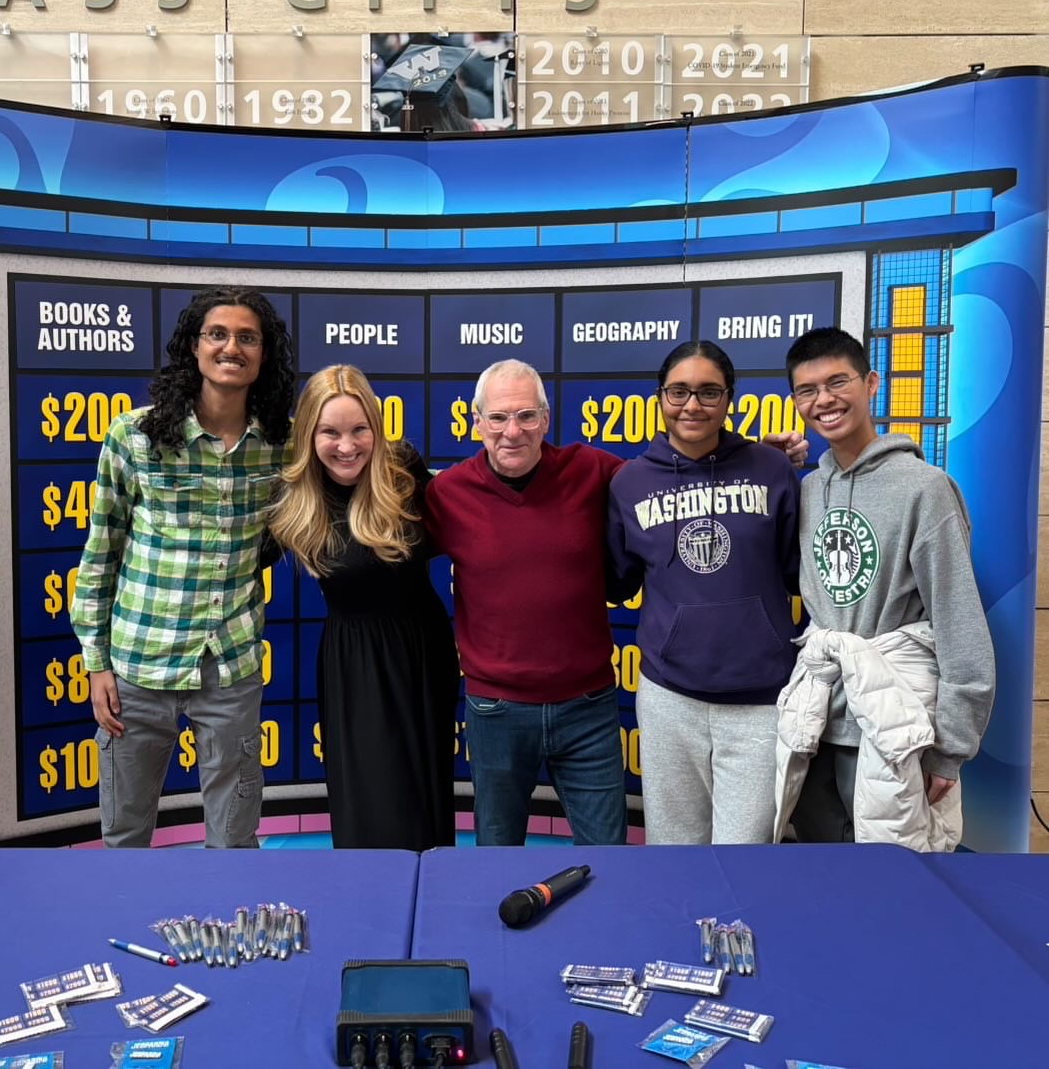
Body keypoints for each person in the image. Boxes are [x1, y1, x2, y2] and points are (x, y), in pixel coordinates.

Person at [71, 286, 294, 848]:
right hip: (137, 667)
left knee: (235, 838)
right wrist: (96, 663)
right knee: (124, 835)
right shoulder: (135, 435)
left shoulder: (281, 446)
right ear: (193, 347)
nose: (231, 347)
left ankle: (226, 932)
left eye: (248, 337)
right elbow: (101, 554)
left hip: (231, 665)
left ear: (264, 354)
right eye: (217, 334)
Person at [775, 326, 995, 848]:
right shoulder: (808, 489)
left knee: (892, 879)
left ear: (871, 383)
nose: (823, 400)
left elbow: (958, 618)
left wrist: (951, 747)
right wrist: (771, 471)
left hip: (892, 724)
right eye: (807, 390)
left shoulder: (925, 488)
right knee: (819, 871)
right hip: (816, 721)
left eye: (837, 382)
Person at [424, 359, 630, 846]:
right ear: (476, 423)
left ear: (546, 419)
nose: (511, 431)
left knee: (612, 857)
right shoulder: (447, 493)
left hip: (589, 708)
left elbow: (673, 480)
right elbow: (380, 531)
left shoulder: (594, 470)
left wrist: (746, 460)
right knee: (496, 857)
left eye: (525, 416)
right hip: (496, 710)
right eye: (497, 418)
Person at [607, 341, 801, 845]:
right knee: (675, 850)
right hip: (670, 696)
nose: (692, 405)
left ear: (730, 399)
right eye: (679, 392)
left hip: (762, 698)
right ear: (660, 397)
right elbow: (618, 579)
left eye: (708, 392)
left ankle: (734, 931)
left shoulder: (773, 470)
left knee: (746, 852)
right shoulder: (629, 484)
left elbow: (798, 570)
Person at [267, 365, 459, 851]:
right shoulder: (294, 498)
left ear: (376, 428)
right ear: (309, 434)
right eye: (329, 432)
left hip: (422, 653)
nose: (346, 445)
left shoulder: (404, 473)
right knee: (369, 801)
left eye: (359, 430)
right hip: (352, 663)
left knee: (424, 798)